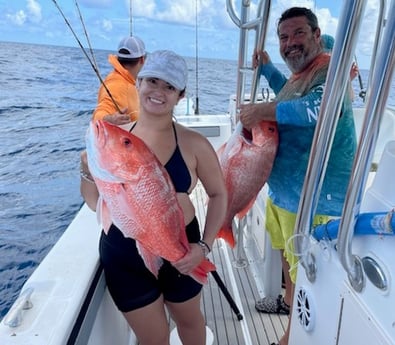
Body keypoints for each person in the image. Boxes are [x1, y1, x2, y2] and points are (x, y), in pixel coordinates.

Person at [80, 50, 228, 345]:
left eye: (169, 86)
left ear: (180, 95)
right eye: (153, 81)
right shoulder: (115, 138)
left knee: (190, 321)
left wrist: (204, 247)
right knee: (154, 339)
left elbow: (219, 193)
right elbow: (94, 201)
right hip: (124, 255)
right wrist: (86, 170)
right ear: (139, 82)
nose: (158, 91)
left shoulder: (194, 143)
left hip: (180, 247)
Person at [240, 7, 356, 345]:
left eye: (298, 33)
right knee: (292, 267)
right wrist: (267, 70)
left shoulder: (332, 71)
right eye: (283, 36)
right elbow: (290, 95)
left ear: (317, 35)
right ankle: (289, 306)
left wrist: (261, 111)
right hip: (287, 194)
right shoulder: (303, 72)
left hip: (316, 198)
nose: (290, 42)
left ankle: (293, 337)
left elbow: (318, 109)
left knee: (308, 276)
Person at [92, 36, 146, 125]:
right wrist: (109, 119)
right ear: (142, 59)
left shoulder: (129, 80)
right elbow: (99, 114)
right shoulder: (118, 85)